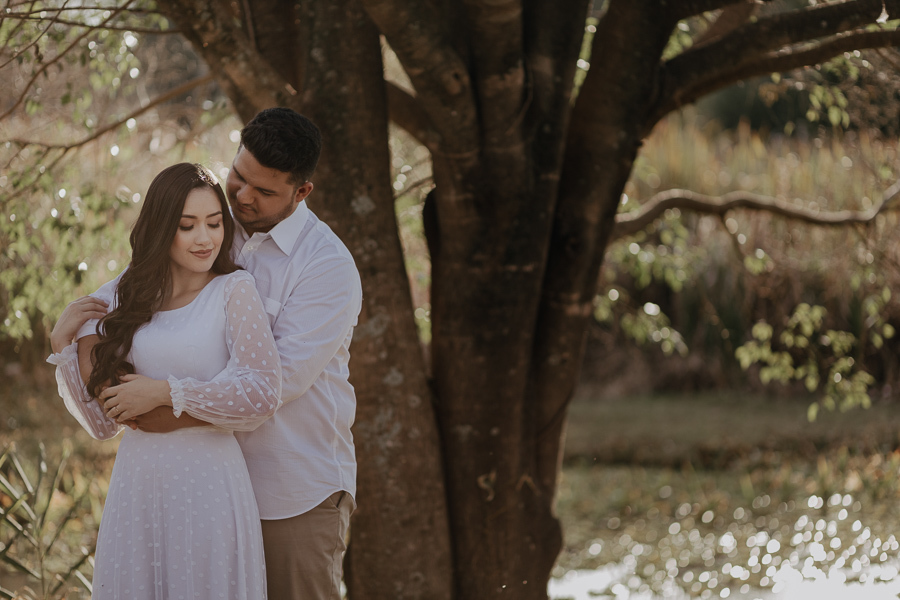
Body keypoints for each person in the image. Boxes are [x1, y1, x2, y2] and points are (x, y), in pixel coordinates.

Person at [51, 108, 363, 600]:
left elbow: (276, 382)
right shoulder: (212, 226)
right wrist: (77, 339)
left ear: (301, 192)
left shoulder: (327, 267)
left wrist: (160, 401)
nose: (242, 196)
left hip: (290, 489)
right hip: (193, 488)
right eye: (238, 176)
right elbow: (110, 308)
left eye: (263, 191)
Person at [48, 162, 281, 599]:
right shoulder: (123, 296)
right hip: (139, 485)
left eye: (214, 223)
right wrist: (63, 347)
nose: (205, 238)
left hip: (211, 484)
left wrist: (166, 391)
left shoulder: (234, 290)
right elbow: (103, 425)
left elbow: (262, 393)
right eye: (187, 225)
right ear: (161, 228)